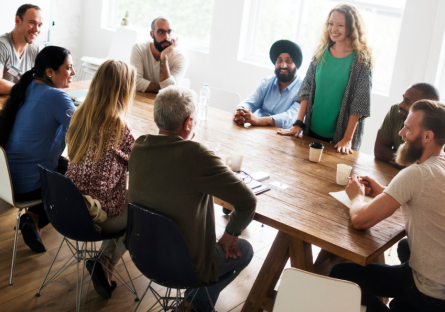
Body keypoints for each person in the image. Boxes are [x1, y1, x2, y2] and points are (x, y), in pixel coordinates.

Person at [128, 86, 257, 312]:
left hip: (142, 253)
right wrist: (230, 235)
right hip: (184, 266)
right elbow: (248, 201)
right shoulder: (196, 155)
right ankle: (193, 305)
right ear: (188, 123)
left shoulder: (139, 146)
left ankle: (191, 304)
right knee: (244, 250)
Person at [330, 100, 445, 311]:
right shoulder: (440, 163)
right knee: (404, 247)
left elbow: (360, 220)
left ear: (427, 136)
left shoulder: (416, 174)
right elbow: (423, 202)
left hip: (427, 292)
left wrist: (356, 196)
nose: (401, 132)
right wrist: (386, 191)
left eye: (408, 128)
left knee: (339, 275)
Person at [65, 60, 136, 299]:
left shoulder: (78, 116)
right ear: (124, 91)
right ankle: (106, 260)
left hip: (68, 207)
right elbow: (140, 167)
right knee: (144, 208)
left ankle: (103, 261)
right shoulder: (119, 127)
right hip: (97, 217)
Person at [0, 46, 76, 252]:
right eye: (68, 68)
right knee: (76, 177)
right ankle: (35, 219)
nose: (73, 73)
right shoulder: (57, 97)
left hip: (6, 179)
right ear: (50, 71)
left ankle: (33, 219)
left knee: (62, 164)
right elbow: (81, 133)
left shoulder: (24, 88)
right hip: (27, 187)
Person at [278, 4, 373, 154]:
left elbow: (359, 103)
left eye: (340, 25)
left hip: (340, 138)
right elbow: (306, 89)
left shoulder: (361, 61)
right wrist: (298, 124)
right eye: (331, 24)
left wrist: (347, 139)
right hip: (312, 130)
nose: (334, 29)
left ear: (351, 28)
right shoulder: (321, 52)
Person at [233, 40, 304, 128]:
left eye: (289, 61)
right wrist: (241, 111)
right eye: (279, 60)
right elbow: (250, 102)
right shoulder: (266, 83)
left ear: (296, 64)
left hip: (285, 137)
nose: (283, 65)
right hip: (258, 132)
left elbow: (291, 117)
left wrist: (259, 120)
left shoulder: (303, 89)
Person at [375, 83, 439, 167]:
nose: (400, 104)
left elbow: (434, 168)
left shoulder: (440, 127)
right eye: (403, 98)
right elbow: (380, 150)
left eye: (407, 102)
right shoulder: (396, 111)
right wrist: (415, 166)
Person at [130, 16, 189, 93]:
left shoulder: (181, 58)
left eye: (169, 32)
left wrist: (164, 57)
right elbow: (135, 82)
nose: (166, 37)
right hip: (142, 100)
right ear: (152, 34)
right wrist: (163, 90)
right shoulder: (139, 49)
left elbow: (171, 92)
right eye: (161, 32)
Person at [0, 4, 43, 94]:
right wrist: (25, 88)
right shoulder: (2, 46)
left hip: (20, 100)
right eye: (32, 23)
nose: (36, 29)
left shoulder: (35, 49)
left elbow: (43, 80)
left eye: (39, 25)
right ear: (17, 21)